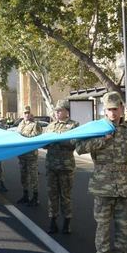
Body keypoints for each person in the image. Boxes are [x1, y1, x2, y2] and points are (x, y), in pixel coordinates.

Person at [75, 91, 127, 253]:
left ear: (122, 109)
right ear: (104, 110)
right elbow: (79, 148)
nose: (113, 113)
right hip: (102, 187)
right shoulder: (97, 129)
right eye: (109, 109)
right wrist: (102, 139)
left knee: (123, 229)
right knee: (103, 228)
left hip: (125, 187)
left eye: (116, 109)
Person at [43, 100, 79, 234]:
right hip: (51, 165)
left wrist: (57, 140)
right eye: (56, 111)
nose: (57, 113)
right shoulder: (50, 126)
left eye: (60, 110)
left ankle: (67, 222)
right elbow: (44, 144)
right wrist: (46, 141)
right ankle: (52, 220)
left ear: (66, 112)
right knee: (52, 194)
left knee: (65, 196)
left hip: (65, 166)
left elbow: (74, 143)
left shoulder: (73, 125)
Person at [17, 106, 42, 206]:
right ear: (22, 114)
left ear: (31, 114)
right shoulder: (20, 124)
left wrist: (24, 137)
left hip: (31, 155)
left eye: (28, 113)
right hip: (22, 155)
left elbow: (37, 137)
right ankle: (25, 195)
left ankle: (35, 198)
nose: (26, 115)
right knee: (23, 176)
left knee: (33, 177)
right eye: (25, 113)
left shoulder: (35, 124)